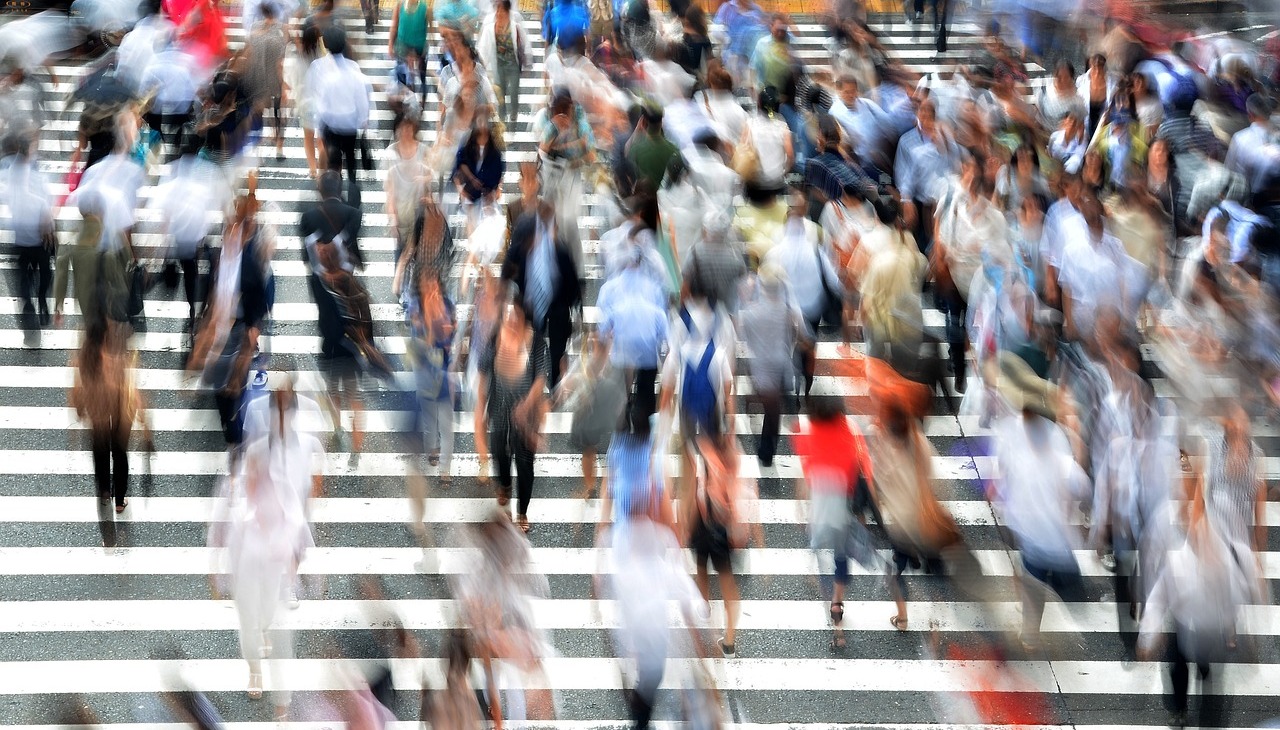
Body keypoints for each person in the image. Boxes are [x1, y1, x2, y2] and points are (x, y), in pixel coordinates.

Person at [475, 299, 548, 533]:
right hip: (500, 406)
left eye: (516, 316)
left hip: (527, 414)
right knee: (498, 449)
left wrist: (526, 405)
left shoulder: (535, 342)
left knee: (525, 463)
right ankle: (504, 484)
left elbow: (540, 377)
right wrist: (481, 403)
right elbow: (484, 369)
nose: (511, 320)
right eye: (509, 316)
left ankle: (523, 511)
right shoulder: (497, 336)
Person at [69, 322, 150, 515]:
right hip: (121, 405)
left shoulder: (87, 352)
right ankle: (120, 500)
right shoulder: (117, 347)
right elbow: (130, 386)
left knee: (100, 448)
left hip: (98, 404)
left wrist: (79, 406)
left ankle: (105, 490)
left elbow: (78, 383)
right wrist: (143, 418)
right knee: (120, 452)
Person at [502, 195, 582, 389]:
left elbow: (571, 279)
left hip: (557, 305)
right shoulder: (526, 236)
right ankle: (531, 382)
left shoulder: (559, 248)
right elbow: (511, 260)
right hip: (529, 302)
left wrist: (576, 307)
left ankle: (553, 381)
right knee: (531, 346)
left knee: (556, 349)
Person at [739, 263, 805, 466]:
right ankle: (766, 451)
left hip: (761, 366)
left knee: (771, 410)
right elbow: (796, 335)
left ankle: (765, 451)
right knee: (773, 412)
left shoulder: (750, 313)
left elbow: (746, 340)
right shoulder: (787, 312)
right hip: (782, 364)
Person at [305, 27, 373, 182]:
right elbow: (361, 97)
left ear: (326, 44)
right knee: (350, 159)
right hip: (350, 124)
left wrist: (319, 122)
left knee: (332, 159)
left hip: (330, 124)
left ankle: (331, 187)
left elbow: (312, 93)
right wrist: (364, 120)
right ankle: (352, 186)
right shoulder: (353, 67)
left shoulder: (317, 66)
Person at [0, 137, 55, 326]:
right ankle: (39, 300)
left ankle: (31, 302)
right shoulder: (26, 171)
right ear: (27, 150)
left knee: (25, 273)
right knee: (44, 273)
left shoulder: (13, 169)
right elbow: (42, 200)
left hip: (23, 235)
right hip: (37, 235)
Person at [477, 0, 529, 127]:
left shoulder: (515, 26)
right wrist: (481, 65)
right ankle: (503, 123)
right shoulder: (490, 27)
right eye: (497, 10)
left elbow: (524, 43)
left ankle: (514, 114)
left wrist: (528, 62)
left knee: (514, 93)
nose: (499, 13)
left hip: (513, 66)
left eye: (502, 10)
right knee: (500, 96)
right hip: (498, 67)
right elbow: (483, 48)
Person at [387, 0, 429, 103]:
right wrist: (390, 45)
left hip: (418, 48)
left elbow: (428, 29)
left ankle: (420, 102)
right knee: (403, 78)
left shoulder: (425, 7)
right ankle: (408, 103)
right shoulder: (400, 5)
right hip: (403, 48)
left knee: (420, 77)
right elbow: (394, 26)